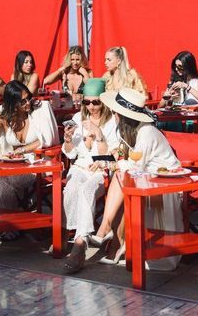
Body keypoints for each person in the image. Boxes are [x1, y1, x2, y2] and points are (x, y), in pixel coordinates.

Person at [89, 88, 183, 271]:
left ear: (123, 116)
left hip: (166, 185)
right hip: (147, 179)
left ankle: (108, 233)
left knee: (122, 176)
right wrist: (111, 159)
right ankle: (111, 236)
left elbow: (134, 166)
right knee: (122, 178)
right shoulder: (131, 131)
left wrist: (112, 164)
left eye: (116, 112)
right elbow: (129, 163)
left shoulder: (146, 132)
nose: (114, 115)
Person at [62, 78, 119, 273]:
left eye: (96, 102)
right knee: (71, 189)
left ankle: (80, 244)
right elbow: (71, 154)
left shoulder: (112, 122)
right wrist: (68, 140)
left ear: (103, 101)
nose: (91, 106)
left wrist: (99, 134)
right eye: (87, 102)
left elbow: (111, 156)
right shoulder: (78, 118)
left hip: (100, 169)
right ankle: (76, 234)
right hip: (79, 166)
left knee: (86, 190)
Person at [0, 81, 59, 212]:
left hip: (37, 163)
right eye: (22, 101)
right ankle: (6, 217)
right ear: (13, 104)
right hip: (14, 164)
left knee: (3, 181)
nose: (28, 103)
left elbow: (45, 140)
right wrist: (0, 119)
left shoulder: (39, 111)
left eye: (28, 98)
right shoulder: (6, 118)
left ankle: (5, 221)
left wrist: (22, 149)